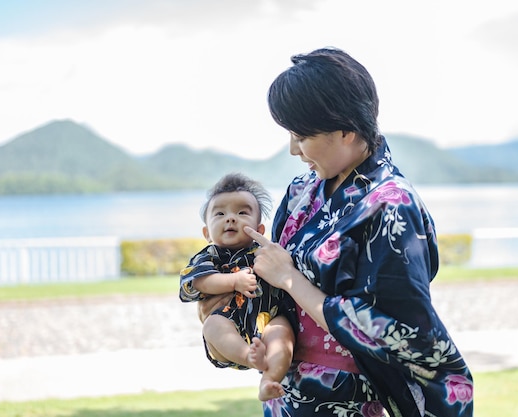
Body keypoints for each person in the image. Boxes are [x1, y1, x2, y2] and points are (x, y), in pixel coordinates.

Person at [243, 48, 474, 416]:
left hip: (351, 399)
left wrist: (288, 277)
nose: (292, 150)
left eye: (301, 136)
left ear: (347, 130)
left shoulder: (391, 204)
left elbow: (395, 328)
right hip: (287, 393)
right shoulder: (302, 192)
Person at [179, 173, 296, 401]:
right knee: (212, 324)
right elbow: (199, 282)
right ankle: (248, 356)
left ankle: (268, 380)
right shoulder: (210, 256)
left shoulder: (265, 253)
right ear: (206, 233)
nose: (231, 218)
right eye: (220, 213)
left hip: (268, 319)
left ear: (260, 230)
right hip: (228, 327)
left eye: (242, 212)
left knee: (283, 333)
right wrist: (234, 281)